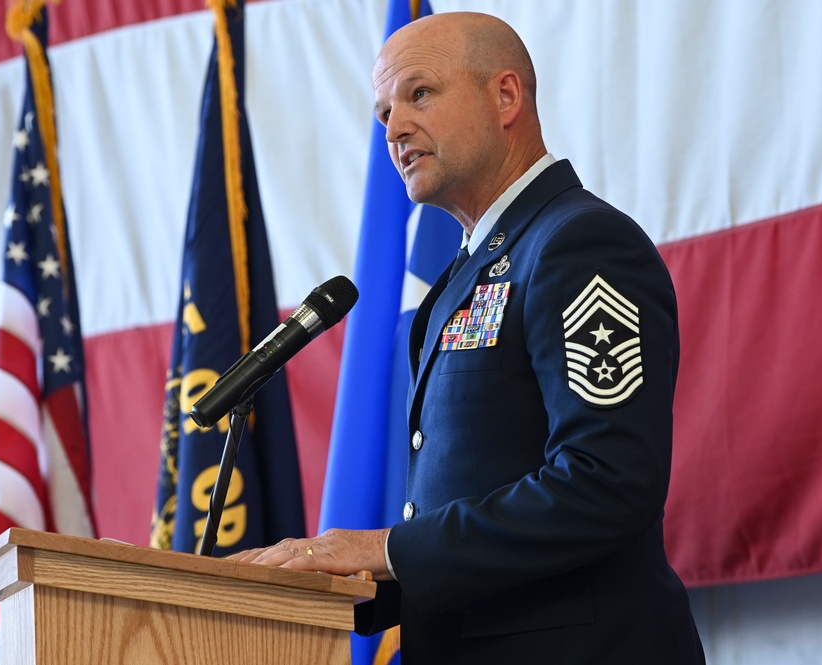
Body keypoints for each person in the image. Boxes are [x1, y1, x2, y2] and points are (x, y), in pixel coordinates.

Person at [229, 11, 705, 663]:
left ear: (506, 96)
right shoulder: (460, 280)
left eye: (418, 93)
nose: (393, 127)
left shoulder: (581, 244)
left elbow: (607, 482)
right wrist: (323, 585)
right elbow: (469, 532)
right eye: (383, 112)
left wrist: (383, 547)